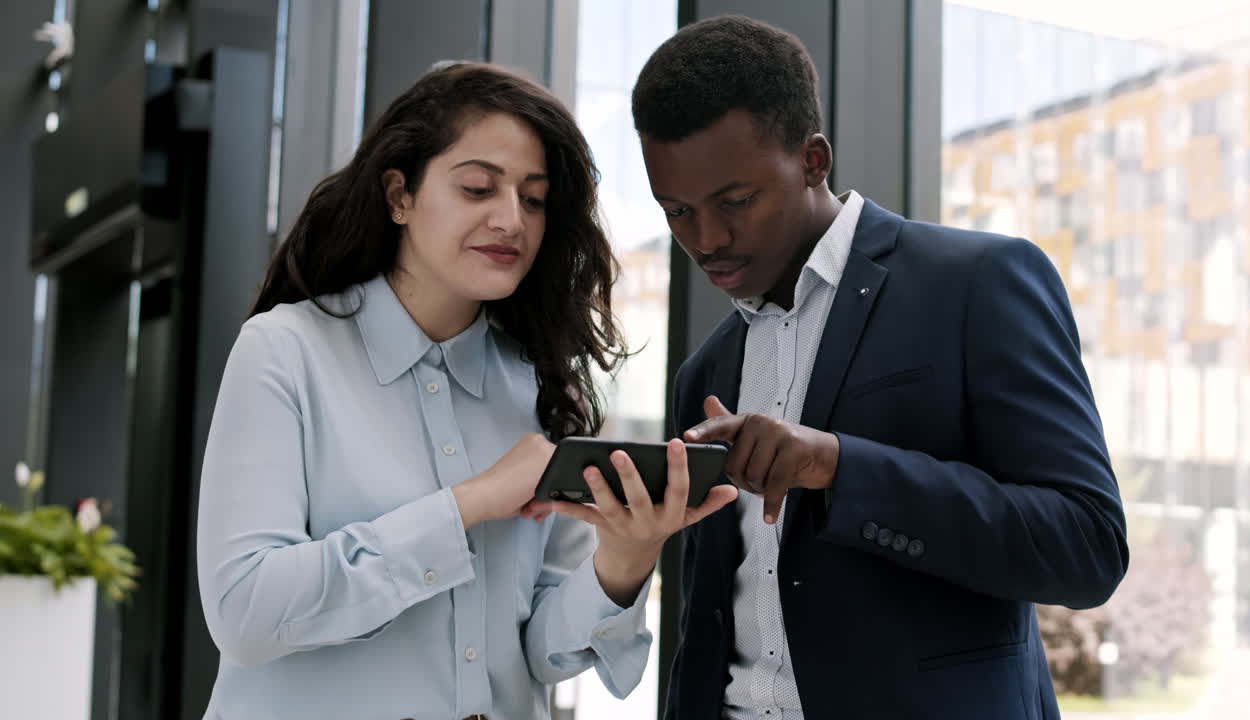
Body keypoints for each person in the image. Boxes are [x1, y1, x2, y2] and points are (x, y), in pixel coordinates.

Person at [196, 61, 735, 720]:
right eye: (479, 188)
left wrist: (623, 561)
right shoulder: (285, 353)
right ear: (399, 195)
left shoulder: (539, 383)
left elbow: (540, 652)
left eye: (533, 199)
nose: (511, 219)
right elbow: (246, 611)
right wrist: (472, 503)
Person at [629, 16, 1129, 720]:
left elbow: (1087, 547)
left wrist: (839, 468)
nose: (706, 239)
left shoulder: (979, 284)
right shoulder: (705, 371)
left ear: (813, 160)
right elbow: (713, 619)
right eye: (676, 211)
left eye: (735, 202)